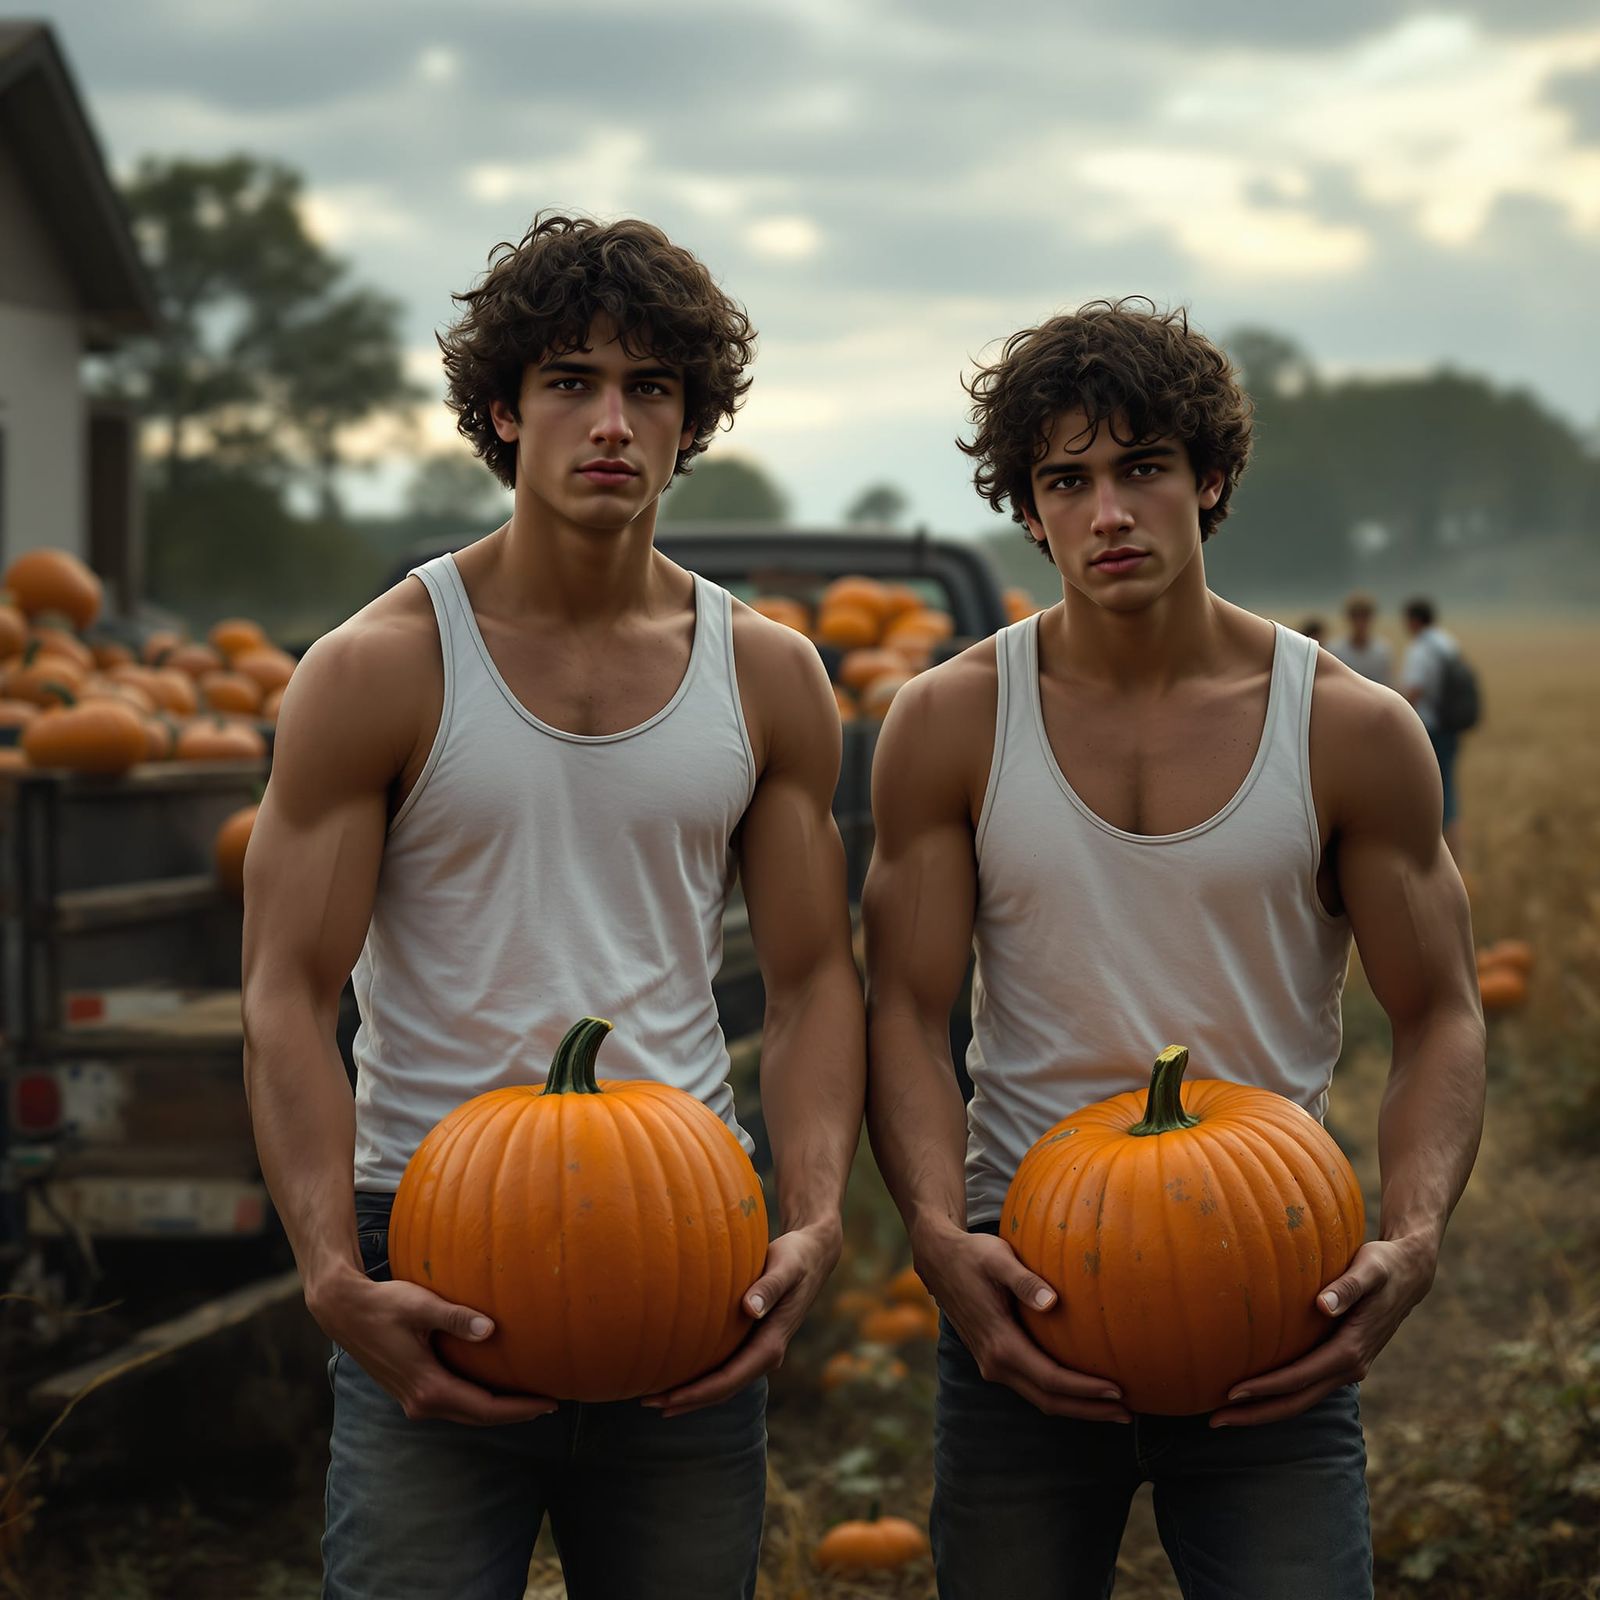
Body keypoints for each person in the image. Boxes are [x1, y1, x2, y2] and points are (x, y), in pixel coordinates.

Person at [241, 213, 866, 1600]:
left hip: (688, 1240)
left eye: (650, 388)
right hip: (437, 1240)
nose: (610, 422)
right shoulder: (379, 668)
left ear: (691, 420)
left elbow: (821, 981)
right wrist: (336, 1274)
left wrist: (812, 1220)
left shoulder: (768, 678)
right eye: (570, 381)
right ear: (499, 409)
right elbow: (287, 992)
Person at [862, 298, 1485, 1600]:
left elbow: (1441, 1015)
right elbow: (906, 1016)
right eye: (1066, 480)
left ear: (1209, 478)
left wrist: (1413, 1239)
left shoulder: (1350, 732)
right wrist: (936, 1240)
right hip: (1021, 1287)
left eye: (1143, 467)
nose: (1107, 513)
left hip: (1268, 1282)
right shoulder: (950, 721)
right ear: (1028, 512)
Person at [1400, 597, 1466, 862]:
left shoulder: (1421, 649)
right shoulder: (1448, 643)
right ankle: (1456, 856)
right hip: (1450, 725)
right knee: (1449, 788)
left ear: (1415, 620)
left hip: (1429, 728)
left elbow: (1414, 690)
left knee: (1431, 794)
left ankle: (1438, 858)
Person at [1328, 593, 1393, 686]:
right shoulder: (1336, 651)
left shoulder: (1382, 652)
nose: (1360, 622)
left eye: (1364, 617)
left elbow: (1387, 685)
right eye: (1356, 617)